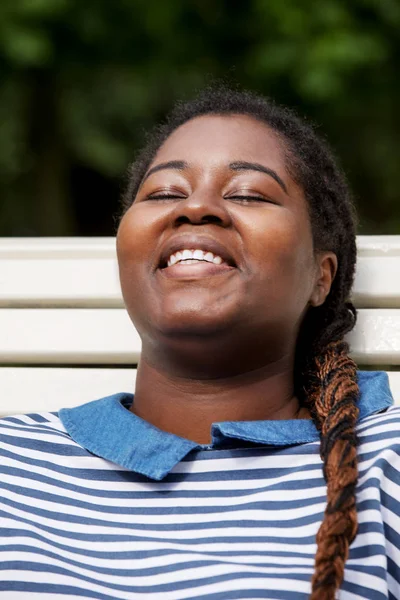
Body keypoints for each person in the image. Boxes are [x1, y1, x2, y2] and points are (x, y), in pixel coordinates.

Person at [0, 85, 399, 600]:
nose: (197, 207)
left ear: (321, 278)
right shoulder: (12, 462)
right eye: (165, 193)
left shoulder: (382, 463)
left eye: (249, 193)